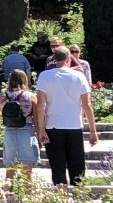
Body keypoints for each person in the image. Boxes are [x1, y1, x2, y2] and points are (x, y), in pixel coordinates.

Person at [33, 46, 98, 187]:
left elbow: (40, 104)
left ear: (53, 59)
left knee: (57, 166)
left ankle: (61, 197)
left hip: (53, 125)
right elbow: (87, 105)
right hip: (74, 125)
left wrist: (41, 129)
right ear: (69, 59)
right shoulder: (79, 76)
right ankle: (78, 195)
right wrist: (93, 131)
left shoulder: (44, 76)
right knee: (77, 165)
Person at [0, 68, 39, 186]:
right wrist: (40, 131)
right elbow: (35, 117)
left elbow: (2, 112)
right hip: (26, 129)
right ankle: (27, 196)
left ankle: (7, 195)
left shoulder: (2, 95)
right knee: (27, 169)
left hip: (9, 130)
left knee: (10, 167)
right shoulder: (30, 96)